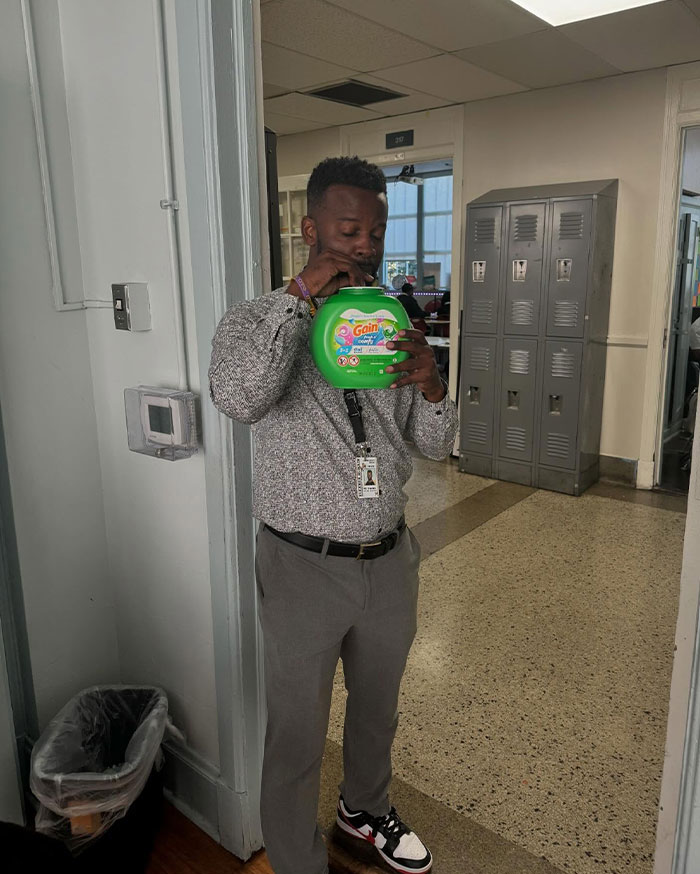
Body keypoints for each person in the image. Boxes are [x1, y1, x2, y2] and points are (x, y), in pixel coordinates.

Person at [209, 156, 457, 874]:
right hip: (300, 567)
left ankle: (364, 813)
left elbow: (434, 444)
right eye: (350, 230)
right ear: (311, 228)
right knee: (297, 730)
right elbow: (240, 398)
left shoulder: (389, 316)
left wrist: (434, 385)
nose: (366, 246)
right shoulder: (255, 319)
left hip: (389, 559)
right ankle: (294, 860)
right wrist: (300, 296)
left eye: (375, 232)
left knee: (377, 713)